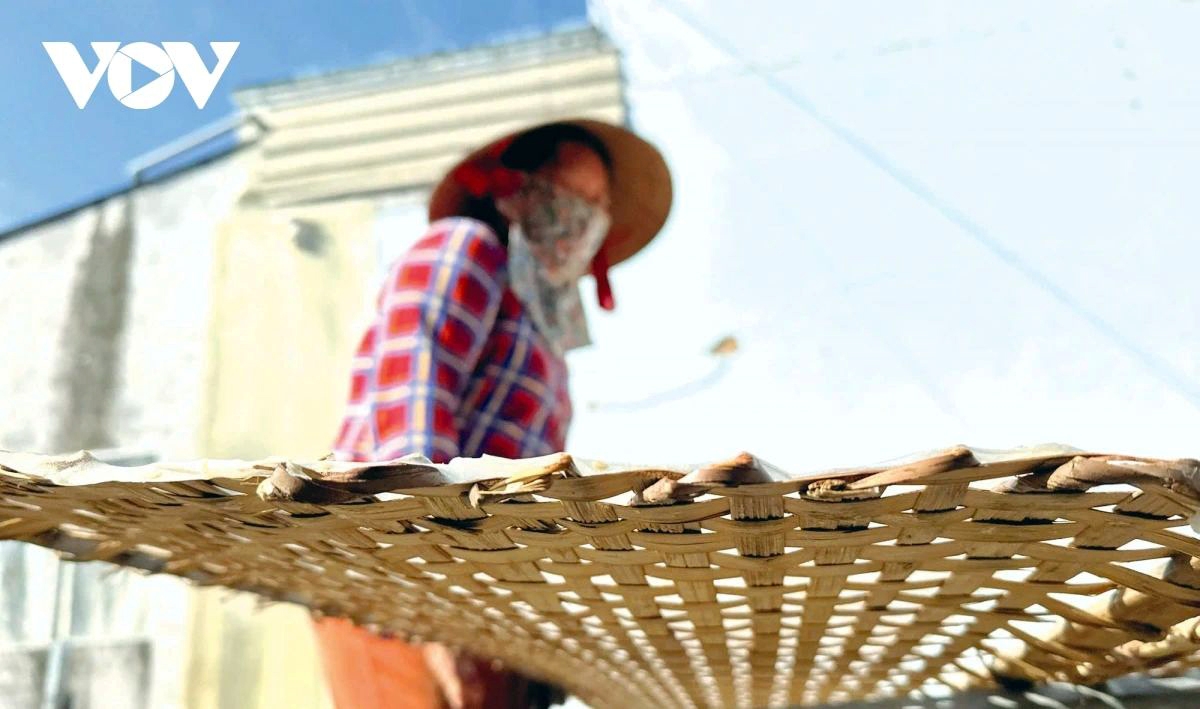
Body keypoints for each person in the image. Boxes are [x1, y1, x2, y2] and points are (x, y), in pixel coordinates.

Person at [314, 119, 672, 709]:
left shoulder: (547, 341)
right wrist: (434, 604)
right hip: (389, 574)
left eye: (597, 205)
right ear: (516, 186)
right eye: (572, 194)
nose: (585, 215)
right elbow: (408, 413)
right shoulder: (464, 248)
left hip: (485, 593)